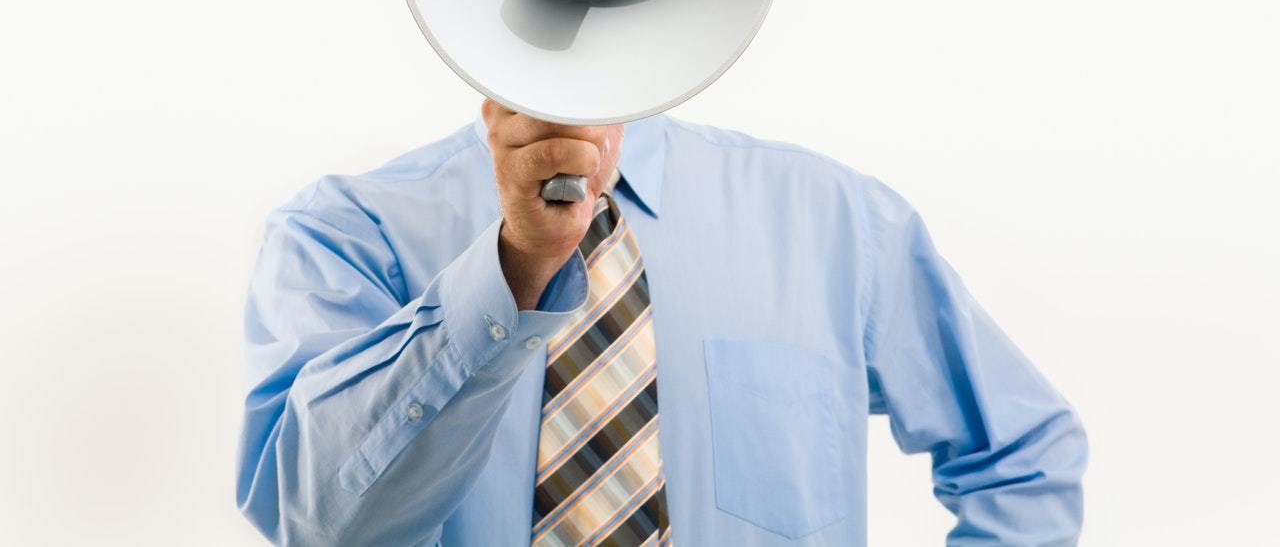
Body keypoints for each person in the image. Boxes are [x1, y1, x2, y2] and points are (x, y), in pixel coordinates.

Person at [236, 100, 1087, 546]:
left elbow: (1020, 451)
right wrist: (513, 263)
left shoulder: (834, 221)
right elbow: (320, 528)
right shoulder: (344, 237)